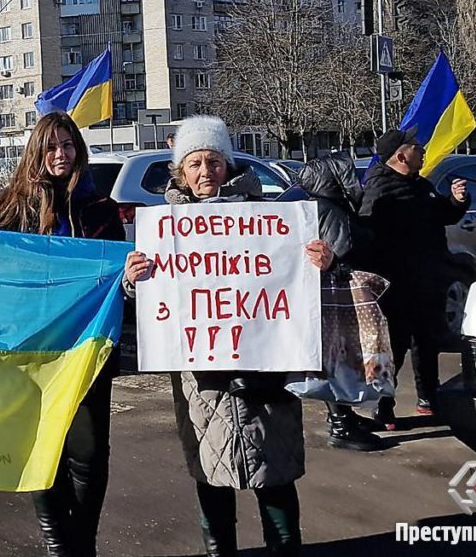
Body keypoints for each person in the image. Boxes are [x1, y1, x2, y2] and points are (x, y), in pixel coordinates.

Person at [123, 115, 332, 557]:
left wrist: (321, 263)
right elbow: (146, 302)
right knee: (211, 477)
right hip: (204, 386)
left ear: (229, 164)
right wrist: (133, 279)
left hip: (267, 377)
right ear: (181, 170)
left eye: (214, 161)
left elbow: (304, 286)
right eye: (195, 163)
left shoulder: (272, 220)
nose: (205, 172)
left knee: (275, 478)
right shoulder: (163, 229)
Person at [0, 111, 125, 557]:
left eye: (68, 145)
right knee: (42, 447)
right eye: (52, 146)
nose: (61, 154)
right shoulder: (12, 206)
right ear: (37, 151)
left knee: (89, 455)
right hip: (30, 352)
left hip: (87, 350)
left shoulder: (100, 211)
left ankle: (83, 544)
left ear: (79, 150)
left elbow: (118, 273)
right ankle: (57, 543)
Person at [360, 129, 469, 430]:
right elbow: (368, 237)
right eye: (416, 147)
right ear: (400, 155)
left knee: (427, 342)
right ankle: (383, 407)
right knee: (393, 347)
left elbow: (443, 215)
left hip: (427, 280)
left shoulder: (421, 186)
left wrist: (458, 201)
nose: (422, 150)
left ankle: (429, 400)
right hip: (396, 286)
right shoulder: (380, 190)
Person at [297, 153, 389, 453]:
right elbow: (345, 250)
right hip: (339, 296)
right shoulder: (331, 210)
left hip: (324, 295)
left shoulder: (314, 207)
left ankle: (345, 417)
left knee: (335, 359)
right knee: (339, 360)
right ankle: (341, 424)